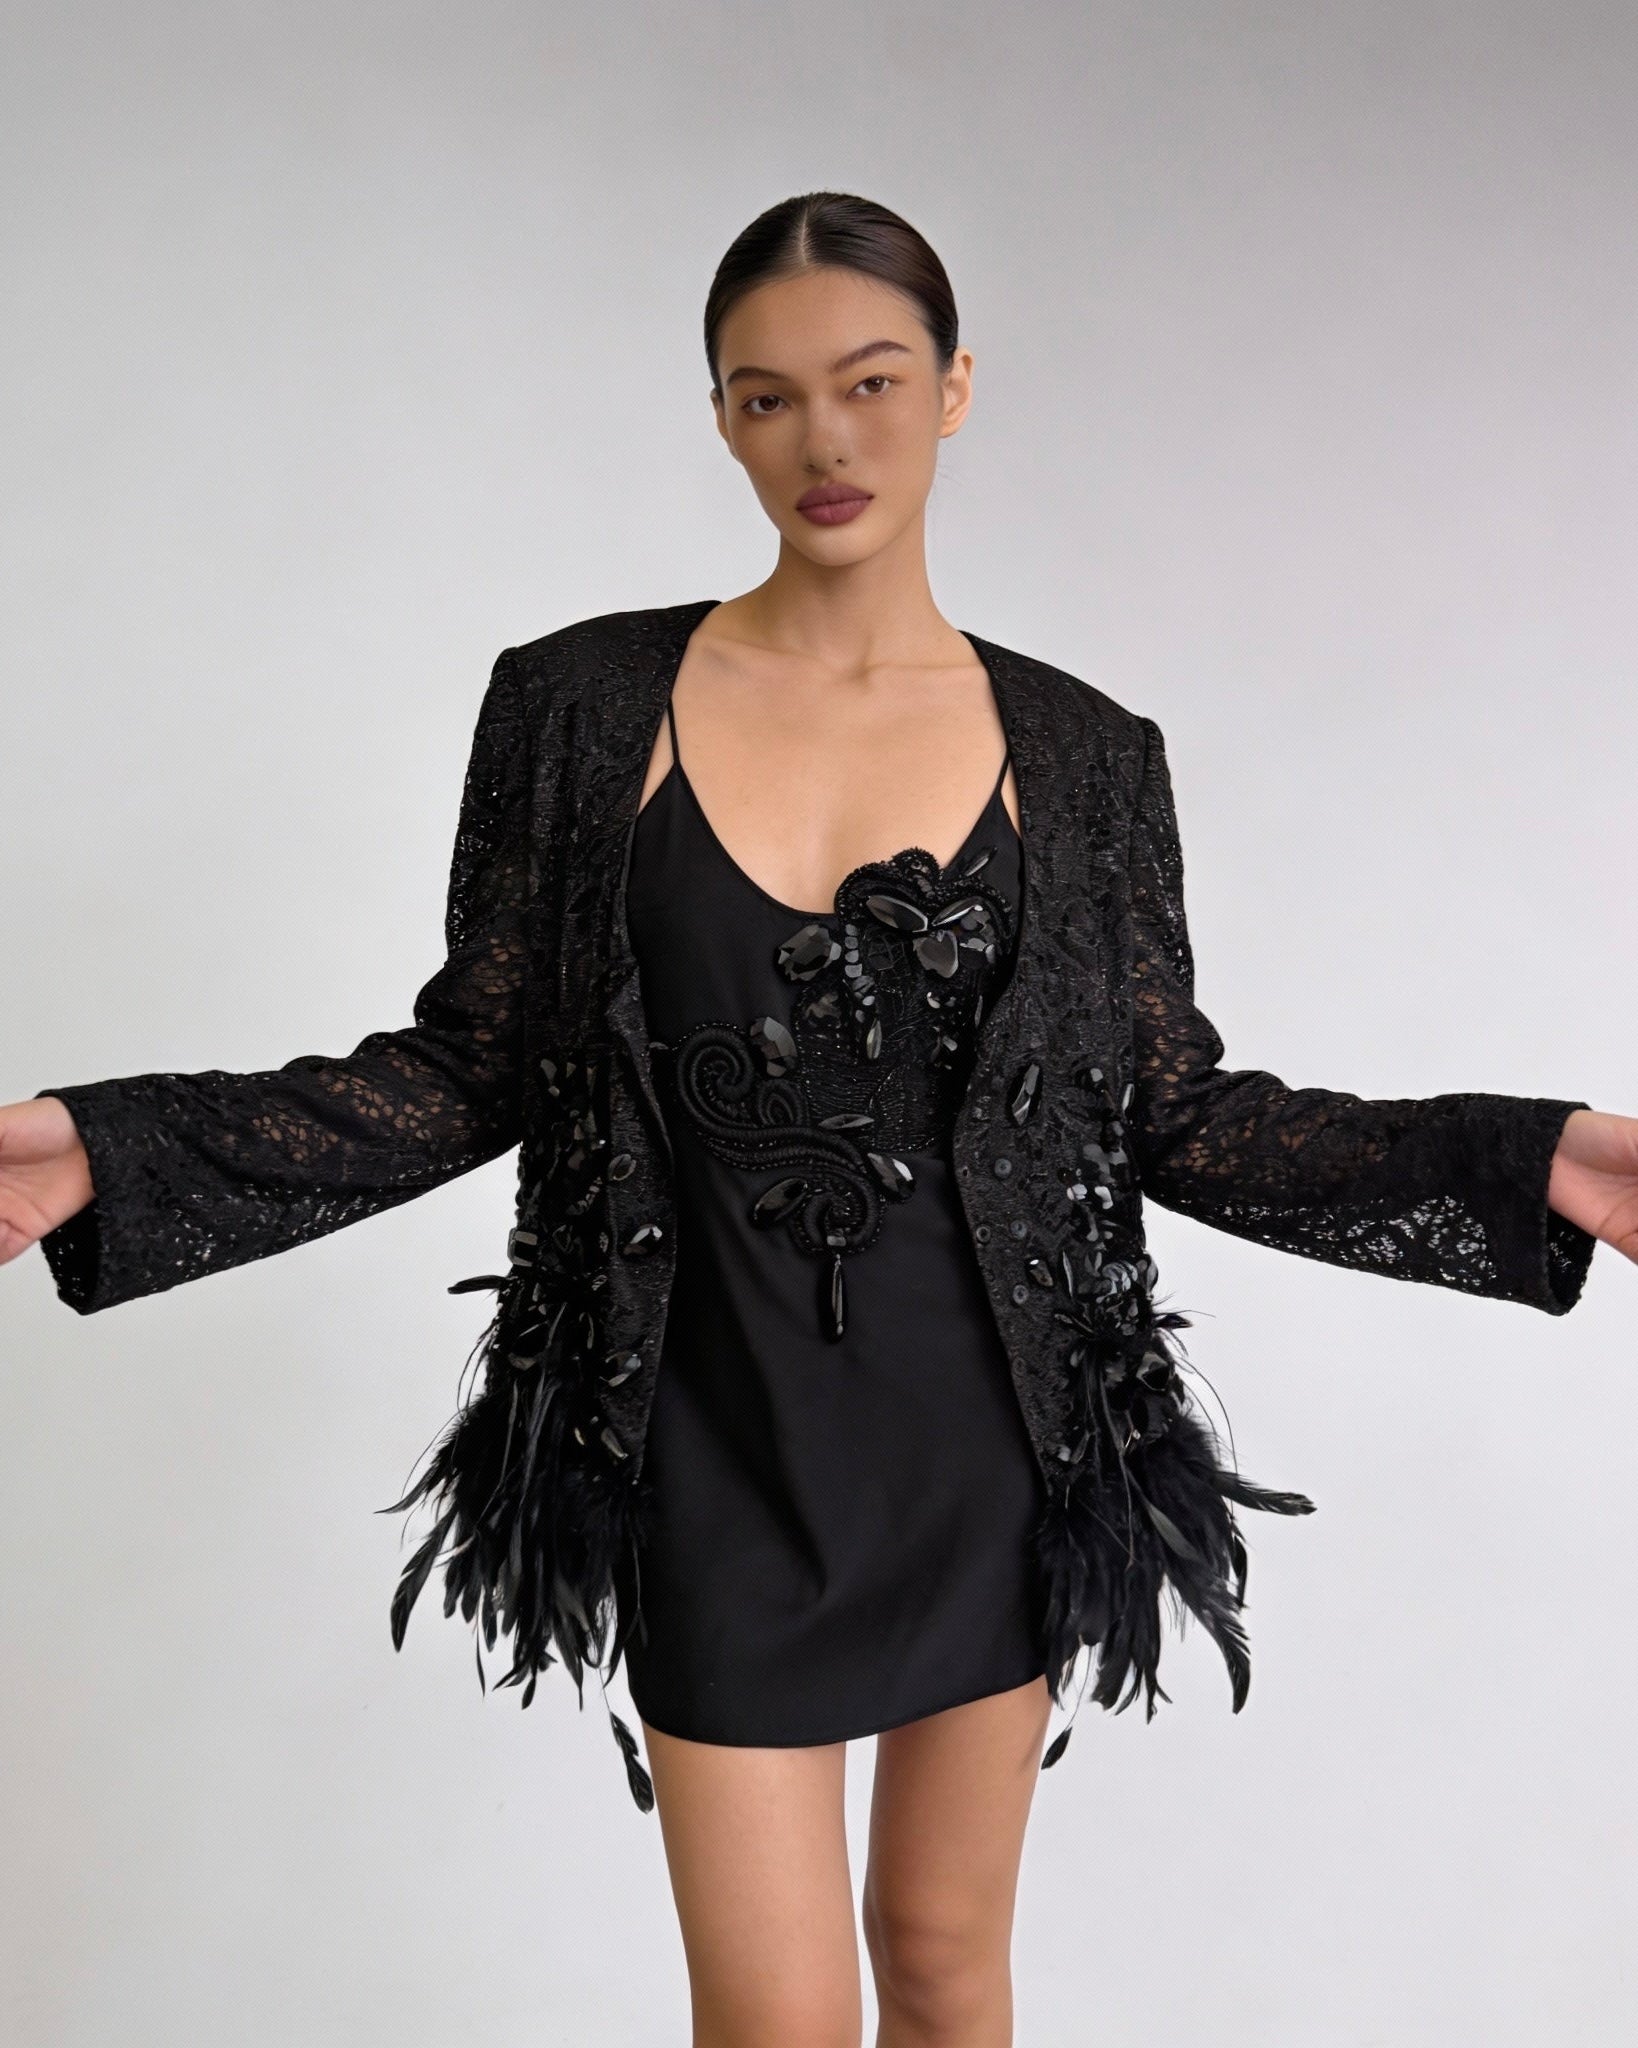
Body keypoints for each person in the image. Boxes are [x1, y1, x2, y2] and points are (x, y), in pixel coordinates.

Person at [5, 191, 1633, 2047]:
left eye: (869, 383)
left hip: (998, 1437)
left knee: (939, 1963)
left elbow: (1173, 1110)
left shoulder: (1088, 755)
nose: (822, 440)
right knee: (777, 2019)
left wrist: (1530, 1161)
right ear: (719, 417)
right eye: (765, 397)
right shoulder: (574, 706)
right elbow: (470, 1065)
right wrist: (106, 1148)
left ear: (954, 388)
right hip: (707, 1432)